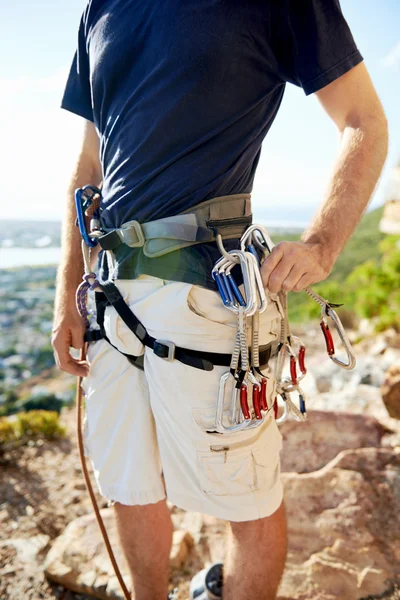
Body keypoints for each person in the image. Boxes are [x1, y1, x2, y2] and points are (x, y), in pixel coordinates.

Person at [52, 1, 388, 599]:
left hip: (208, 293)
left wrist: (322, 244)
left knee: (247, 497)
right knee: (129, 483)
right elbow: (89, 164)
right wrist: (65, 297)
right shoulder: (100, 7)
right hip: (109, 294)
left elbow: (364, 119)